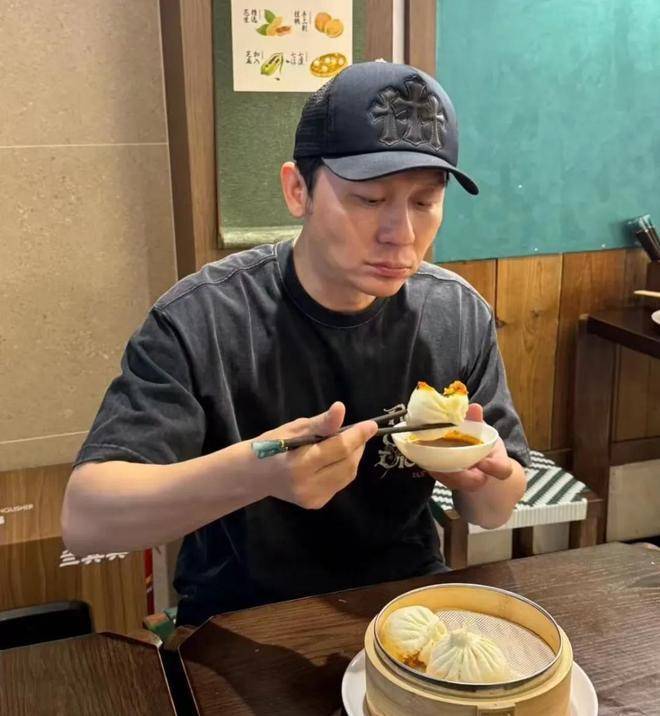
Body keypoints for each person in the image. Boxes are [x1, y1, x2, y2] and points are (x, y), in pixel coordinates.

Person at [62, 61, 528, 626]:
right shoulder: (203, 317)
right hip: (240, 620)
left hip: (404, 609)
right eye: (369, 199)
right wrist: (258, 472)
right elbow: (86, 521)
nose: (401, 235)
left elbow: (492, 510)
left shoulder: (454, 314)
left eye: (424, 202)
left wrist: (478, 474)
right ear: (297, 190)